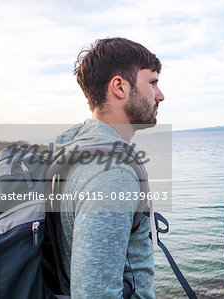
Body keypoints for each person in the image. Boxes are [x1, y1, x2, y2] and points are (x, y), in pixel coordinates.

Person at [54, 37, 164, 298]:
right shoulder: (111, 172)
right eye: (152, 82)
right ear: (120, 87)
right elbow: (94, 292)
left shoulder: (72, 149)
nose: (160, 95)